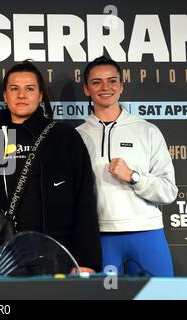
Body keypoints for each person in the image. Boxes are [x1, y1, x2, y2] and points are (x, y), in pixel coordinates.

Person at [0, 61, 102, 278]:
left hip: (58, 258)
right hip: (1, 260)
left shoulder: (65, 138)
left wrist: (85, 260)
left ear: (40, 96)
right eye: (14, 89)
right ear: (5, 96)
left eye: (29, 89)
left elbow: (84, 202)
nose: (22, 95)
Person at [76, 56, 178, 276]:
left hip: (147, 233)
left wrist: (133, 176)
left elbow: (169, 191)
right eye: (96, 82)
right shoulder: (76, 136)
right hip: (99, 237)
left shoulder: (147, 131)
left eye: (112, 81)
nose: (105, 87)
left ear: (121, 86)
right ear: (86, 89)